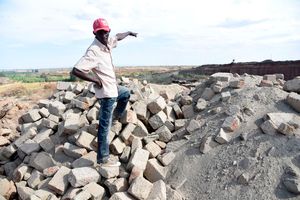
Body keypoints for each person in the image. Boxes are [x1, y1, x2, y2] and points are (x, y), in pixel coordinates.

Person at [71, 18, 137, 167]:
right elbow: (76, 70)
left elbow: (118, 36)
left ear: (108, 31)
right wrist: (96, 80)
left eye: (106, 32)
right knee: (104, 126)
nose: (104, 34)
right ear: (95, 33)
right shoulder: (93, 51)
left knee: (126, 93)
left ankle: (116, 116)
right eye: (100, 32)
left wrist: (129, 33)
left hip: (114, 89)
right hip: (107, 93)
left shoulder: (107, 42)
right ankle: (103, 159)